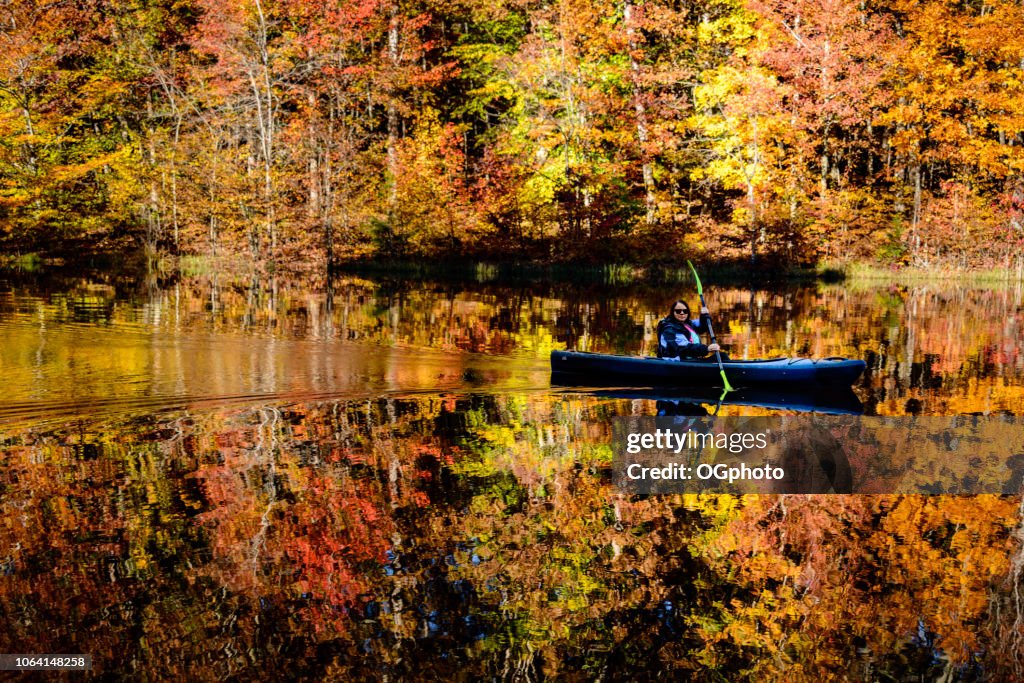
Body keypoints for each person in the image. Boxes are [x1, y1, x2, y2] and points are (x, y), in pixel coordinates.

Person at [656, 300, 723, 360]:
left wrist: (704, 316)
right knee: (721, 357)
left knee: (722, 356)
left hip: (691, 359)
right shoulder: (669, 329)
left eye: (685, 311)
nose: (682, 313)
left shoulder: (688, 324)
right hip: (678, 362)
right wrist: (706, 349)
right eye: (678, 311)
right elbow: (685, 348)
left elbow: (702, 327)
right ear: (672, 312)